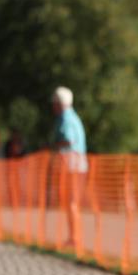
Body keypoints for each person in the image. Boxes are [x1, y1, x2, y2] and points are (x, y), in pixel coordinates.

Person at [52, 87, 88, 251]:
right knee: (72, 203)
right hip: (77, 165)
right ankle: (74, 237)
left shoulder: (65, 118)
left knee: (72, 203)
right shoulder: (73, 117)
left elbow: (69, 140)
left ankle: (74, 238)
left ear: (59, 103)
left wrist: (53, 145)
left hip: (72, 166)